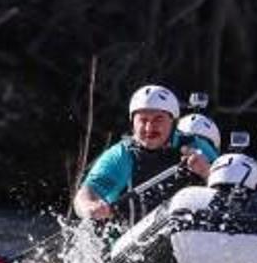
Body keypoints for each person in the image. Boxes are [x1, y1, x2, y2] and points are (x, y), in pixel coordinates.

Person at [72, 85, 220, 221]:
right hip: (130, 241)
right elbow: (86, 193)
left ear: (173, 121)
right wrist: (90, 207)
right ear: (133, 123)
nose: (149, 128)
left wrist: (206, 172)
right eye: (143, 120)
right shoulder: (121, 155)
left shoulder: (197, 146)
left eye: (158, 119)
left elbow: (232, 191)